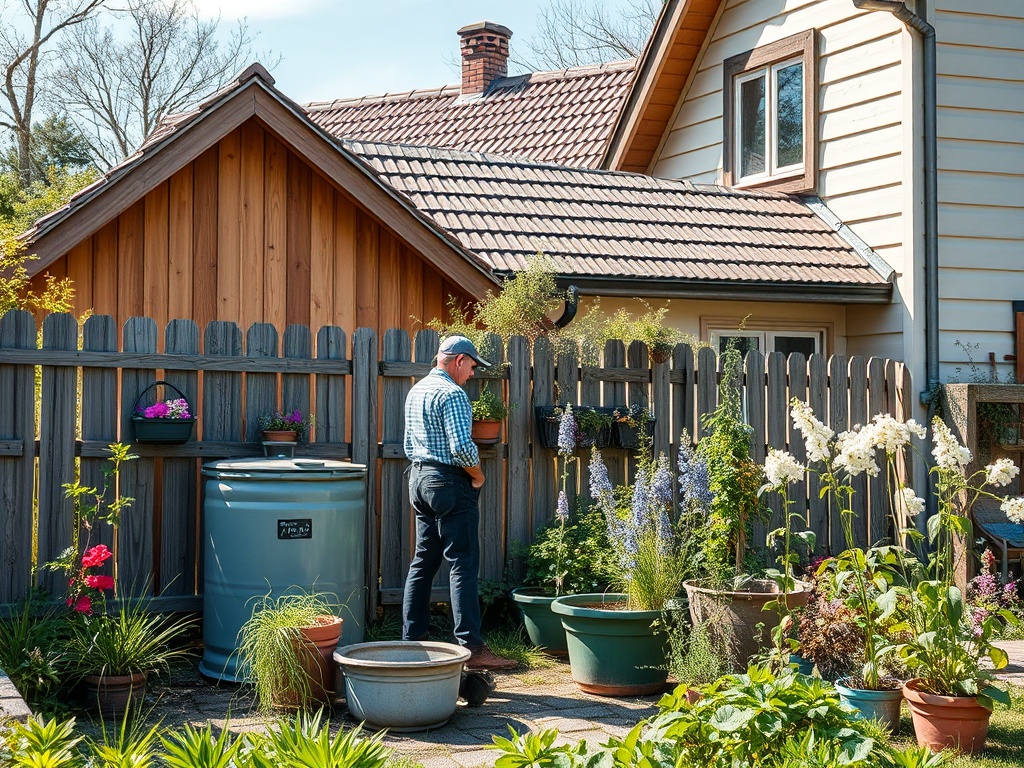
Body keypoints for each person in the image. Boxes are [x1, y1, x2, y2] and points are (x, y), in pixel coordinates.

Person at [402, 335, 516, 671]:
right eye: (472, 366)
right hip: (449, 482)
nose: (472, 373)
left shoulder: (416, 390)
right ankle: (472, 649)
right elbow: (462, 449)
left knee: (423, 561)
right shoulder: (452, 394)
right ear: (458, 360)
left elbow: (409, 443)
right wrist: (478, 476)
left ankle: (412, 643)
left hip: (419, 479)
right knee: (462, 562)